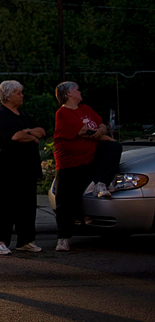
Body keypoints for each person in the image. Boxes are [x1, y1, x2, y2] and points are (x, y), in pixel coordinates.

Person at [53, 81, 122, 252]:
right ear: (68, 94)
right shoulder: (63, 113)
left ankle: (101, 182)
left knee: (114, 149)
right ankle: (63, 238)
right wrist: (105, 137)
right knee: (66, 201)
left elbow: (101, 125)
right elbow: (86, 133)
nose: (80, 92)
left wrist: (102, 131)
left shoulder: (86, 109)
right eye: (77, 90)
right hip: (70, 163)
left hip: (90, 158)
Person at [0, 81, 46, 256]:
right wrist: (30, 135)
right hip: (6, 168)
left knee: (27, 205)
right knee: (4, 206)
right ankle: (0, 240)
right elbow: (15, 136)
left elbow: (42, 131)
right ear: (8, 95)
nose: (22, 96)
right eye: (19, 93)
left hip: (26, 168)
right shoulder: (1, 115)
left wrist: (29, 133)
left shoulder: (23, 115)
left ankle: (26, 240)